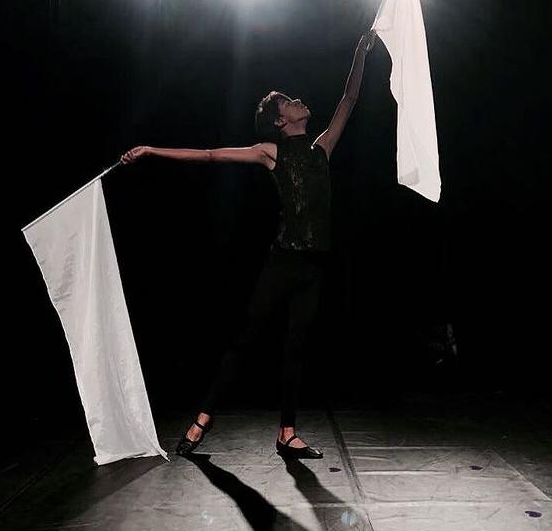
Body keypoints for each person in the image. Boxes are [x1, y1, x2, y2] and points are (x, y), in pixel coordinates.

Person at [121, 29, 378, 459]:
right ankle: (203, 418)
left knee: (296, 347)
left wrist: (360, 53)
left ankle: (287, 433)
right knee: (245, 340)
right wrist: (150, 150)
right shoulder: (269, 151)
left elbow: (349, 99)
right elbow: (210, 155)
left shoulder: (323, 147)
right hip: (284, 262)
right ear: (280, 121)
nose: (297, 101)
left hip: (315, 265)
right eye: (288, 102)